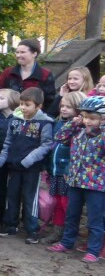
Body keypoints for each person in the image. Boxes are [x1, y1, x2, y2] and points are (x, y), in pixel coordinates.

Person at [47, 96, 105, 263]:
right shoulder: (78, 131)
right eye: (85, 117)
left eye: (93, 118)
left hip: (96, 185)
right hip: (74, 181)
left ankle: (93, 250)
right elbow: (59, 137)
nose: (88, 121)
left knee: (95, 219)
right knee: (71, 215)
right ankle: (66, 242)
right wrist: (74, 122)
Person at [0, 87, 54, 244]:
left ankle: (32, 229)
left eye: (27, 104)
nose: (23, 107)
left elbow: (46, 145)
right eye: (21, 103)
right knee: (12, 195)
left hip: (31, 168)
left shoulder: (44, 122)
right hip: (14, 165)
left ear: (38, 106)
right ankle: (10, 224)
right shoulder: (15, 119)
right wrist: (2, 158)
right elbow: (8, 141)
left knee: (29, 198)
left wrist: (29, 159)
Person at [42, 91, 86, 244]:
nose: (64, 109)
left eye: (69, 107)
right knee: (58, 203)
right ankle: (57, 232)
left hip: (68, 174)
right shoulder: (59, 123)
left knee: (67, 205)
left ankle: (69, 234)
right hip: (55, 172)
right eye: (63, 106)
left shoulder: (81, 128)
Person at [0, 38, 57, 115]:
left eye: (22, 52)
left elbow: (49, 101)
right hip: (8, 117)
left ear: (34, 54)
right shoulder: (8, 73)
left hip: (34, 119)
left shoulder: (45, 75)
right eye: (17, 52)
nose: (18, 55)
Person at [0, 88, 20, 228]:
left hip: (14, 159)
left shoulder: (19, 119)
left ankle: (12, 219)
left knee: (14, 191)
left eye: (2, 98)